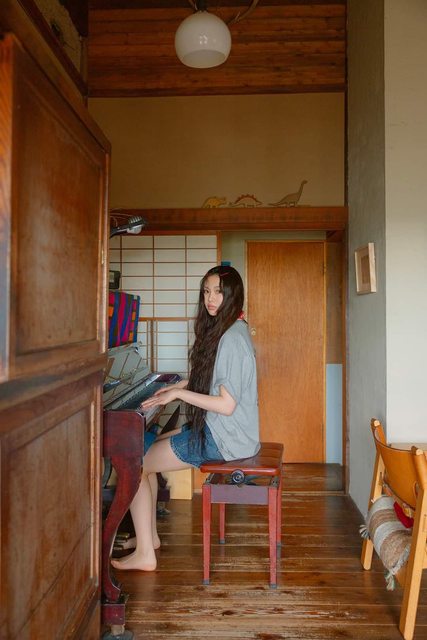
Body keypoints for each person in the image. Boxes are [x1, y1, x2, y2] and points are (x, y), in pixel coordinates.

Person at [111, 265, 260, 572]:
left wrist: (178, 394)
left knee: (136, 463)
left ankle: (146, 554)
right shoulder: (234, 328)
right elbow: (217, 380)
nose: (210, 298)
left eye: (218, 292)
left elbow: (226, 404)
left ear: (233, 295)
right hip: (227, 433)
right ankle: (149, 539)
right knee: (143, 451)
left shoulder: (232, 339)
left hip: (224, 439)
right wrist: (179, 385)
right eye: (206, 291)